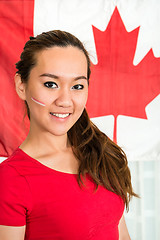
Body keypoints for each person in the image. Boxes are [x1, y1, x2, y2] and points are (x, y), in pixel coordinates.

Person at [0, 30, 137, 240]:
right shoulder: (10, 180)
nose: (65, 100)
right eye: (51, 84)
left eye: (77, 86)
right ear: (21, 85)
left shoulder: (101, 154)